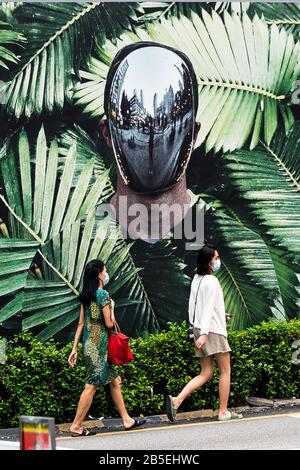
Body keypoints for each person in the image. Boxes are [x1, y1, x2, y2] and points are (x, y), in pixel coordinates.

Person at [100, 41, 201, 242]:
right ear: (107, 134)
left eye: (165, 122)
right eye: (135, 125)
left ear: (194, 134)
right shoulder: (72, 244)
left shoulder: (236, 245)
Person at [165, 244, 243, 422]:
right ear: (209, 262)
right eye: (216, 259)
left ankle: (177, 401)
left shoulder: (197, 278)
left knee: (205, 372)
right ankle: (223, 411)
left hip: (200, 327)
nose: (218, 261)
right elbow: (207, 308)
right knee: (225, 371)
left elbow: (195, 306)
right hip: (212, 330)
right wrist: (206, 333)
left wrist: (200, 328)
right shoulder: (212, 281)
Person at [68, 259, 146, 436]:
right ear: (99, 274)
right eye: (105, 270)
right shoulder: (102, 295)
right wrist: (112, 307)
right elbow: (110, 324)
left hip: (90, 344)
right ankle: (76, 426)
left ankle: (127, 420)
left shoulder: (86, 295)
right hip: (99, 345)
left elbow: (81, 324)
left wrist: (74, 348)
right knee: (91, 385)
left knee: (115, 380)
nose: (106, 273)